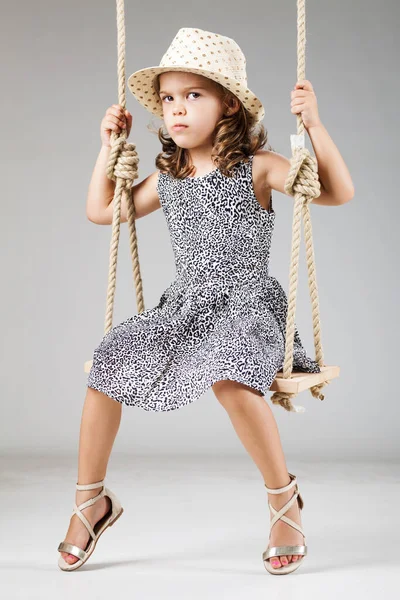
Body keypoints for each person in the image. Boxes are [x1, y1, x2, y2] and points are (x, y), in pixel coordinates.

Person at [57, 27, 354, 574]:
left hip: (247, 304)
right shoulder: (169, 176)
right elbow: (102, 212)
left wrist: (314, 124)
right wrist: (107, 151)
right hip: (186, 307)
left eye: (193, 95)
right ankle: (90, 500)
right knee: (108, 362)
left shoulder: (258, 166)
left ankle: (282, 501)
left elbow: (336, 192)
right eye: (168, 98)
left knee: (230, 373)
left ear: (228, 104)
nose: (176, 109)